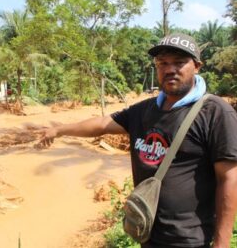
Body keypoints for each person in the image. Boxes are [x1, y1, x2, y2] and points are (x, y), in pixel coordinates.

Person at [38, 33, 237, 248]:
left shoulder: (215, 112)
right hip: (146, 232)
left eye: (179, 63)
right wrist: (59, 130)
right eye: (162, 63)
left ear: (197, 66)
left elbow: (229, 179)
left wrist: (222, 243)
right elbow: (103, 124)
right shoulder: (144, 110)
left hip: (189, 240)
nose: (170, 69)